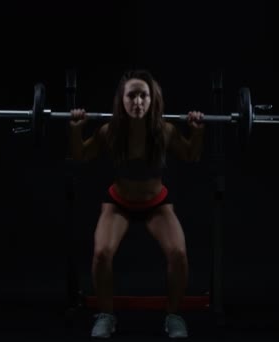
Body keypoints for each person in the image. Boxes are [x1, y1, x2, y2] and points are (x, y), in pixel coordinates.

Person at [69, 69, 205, 338]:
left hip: (157, 203)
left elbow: (191, 155)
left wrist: (197, 131)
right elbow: (81, 155)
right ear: (121, 99)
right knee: (101, 254)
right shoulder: (110, 131)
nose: (138, 102)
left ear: (153, 99)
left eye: (144, 96)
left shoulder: (164, 131)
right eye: (131, 96)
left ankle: (174, 316)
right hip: (118, 203)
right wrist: (76, 130)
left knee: (178, 253)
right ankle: (106, 315)